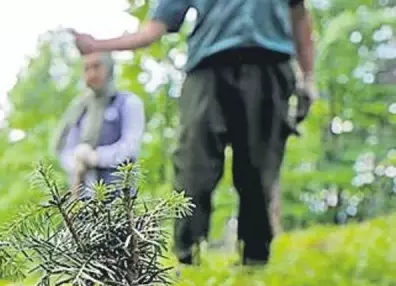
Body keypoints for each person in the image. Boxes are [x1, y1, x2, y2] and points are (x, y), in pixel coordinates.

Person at [71, 0, 317, 266]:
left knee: (259, 170)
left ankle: (254, 262)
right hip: (206, 71)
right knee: (193, 167)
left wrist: (309, 77)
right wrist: (98, 46)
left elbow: (299, 16)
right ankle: (188, 259)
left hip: (269, 63)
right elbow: (154, 29)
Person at [50, 52, 145, 198]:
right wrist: (76, 162)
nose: (92, 73)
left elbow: (130, 147)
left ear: (108, 68)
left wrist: (96, 157)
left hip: (120, 197)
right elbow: (66, 149)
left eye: (97, 66)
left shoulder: (128, 102)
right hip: (83, 196)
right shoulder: (79, 110)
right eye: (86, 68)